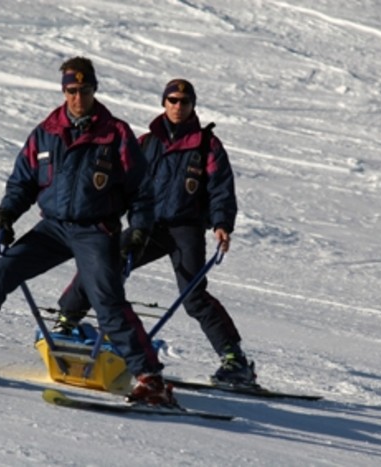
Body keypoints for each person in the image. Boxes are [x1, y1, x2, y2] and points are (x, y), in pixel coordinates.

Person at [0, 57, 176, 406]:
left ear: (95, 88)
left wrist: (139, 231)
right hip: (53, 228)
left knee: (107, 301)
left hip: (96, 229)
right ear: (63, 91)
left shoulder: (116, 135)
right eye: (71, 90)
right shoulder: (46, 132)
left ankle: (150, 378)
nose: (78, 97)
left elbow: (141, 191)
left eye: (84, 89)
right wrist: (7, 214)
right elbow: (23, 181)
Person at [54, 78, 257, 387]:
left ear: (192, 106)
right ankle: (67, 320)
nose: (178, 106)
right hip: (147, 226)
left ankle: (234, 360)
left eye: (184, 102)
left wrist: (222, 225)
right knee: (104, 263)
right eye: (173, 100)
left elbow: (221, 191)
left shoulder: (207, 145)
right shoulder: (146, 142)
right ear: (164, 103)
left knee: (193, 294)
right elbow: (122, 183)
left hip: (185, 228)